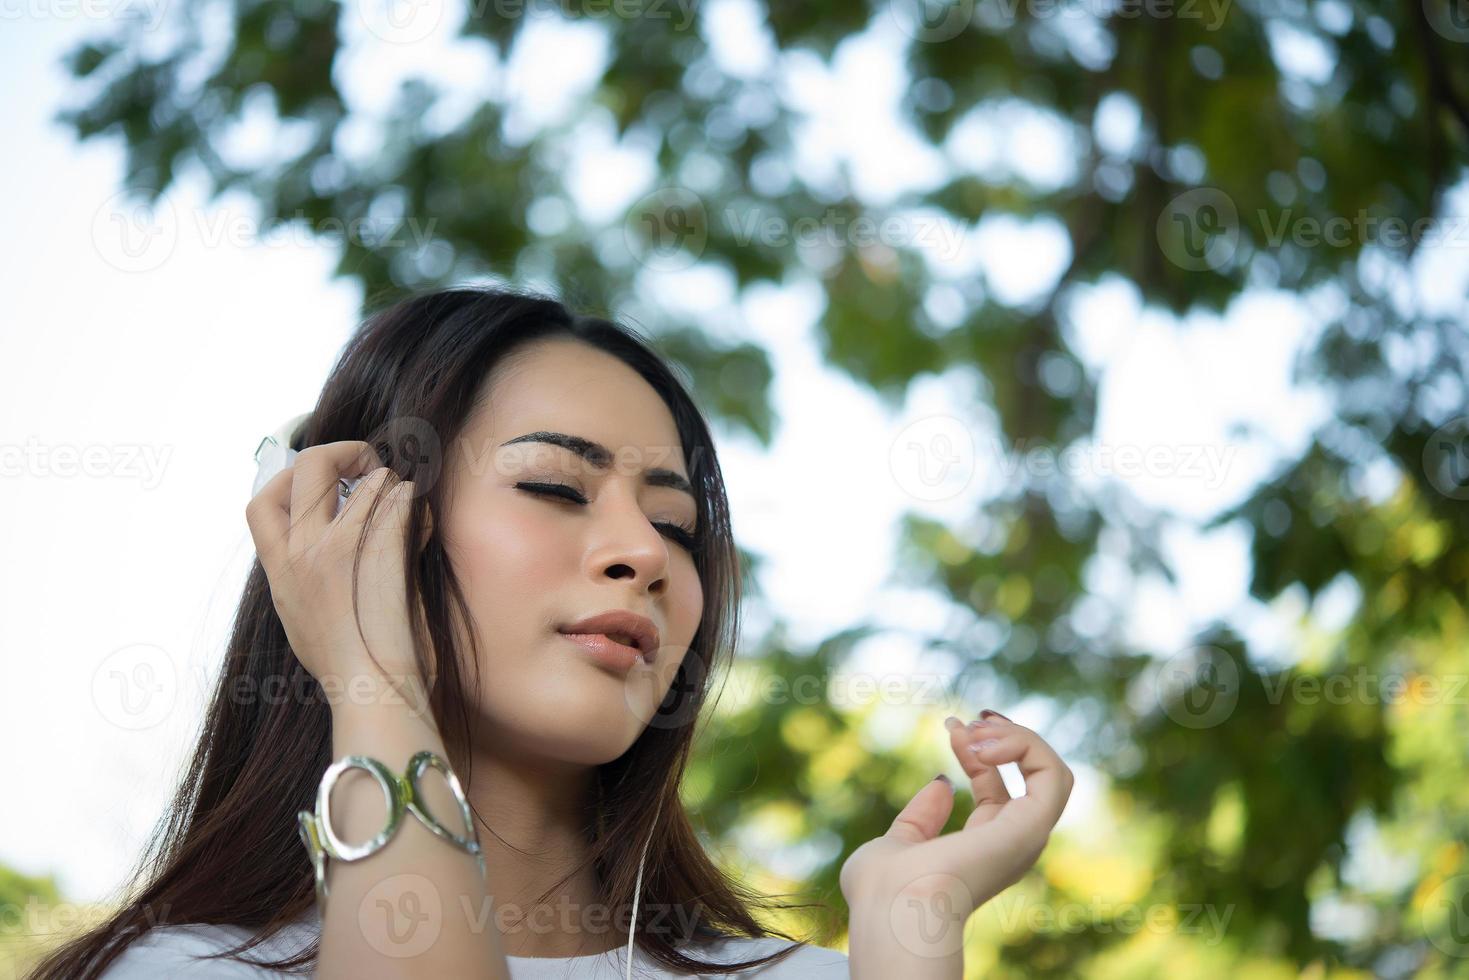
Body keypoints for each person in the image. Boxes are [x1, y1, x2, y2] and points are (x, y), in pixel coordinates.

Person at [26, 285, 1071, 979]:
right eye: (551, 486)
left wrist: (908, 928)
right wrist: (374, 679)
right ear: (367, 529)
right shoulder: (175, 970)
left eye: (673, 520)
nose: (645, 552)